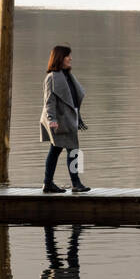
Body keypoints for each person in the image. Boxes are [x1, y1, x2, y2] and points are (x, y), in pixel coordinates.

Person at [40, 44, 91, 193]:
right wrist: (52, 119)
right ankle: (75, 183)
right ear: (60, 58)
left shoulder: (68, 75)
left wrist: (78, 117)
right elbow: (49, 101)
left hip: (69, 119)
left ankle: (49, 184)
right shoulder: (51, 78)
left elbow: (73, 98)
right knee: (71, 150)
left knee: (58, 150)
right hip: (59, 120)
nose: (70, 58)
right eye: (67, 55)